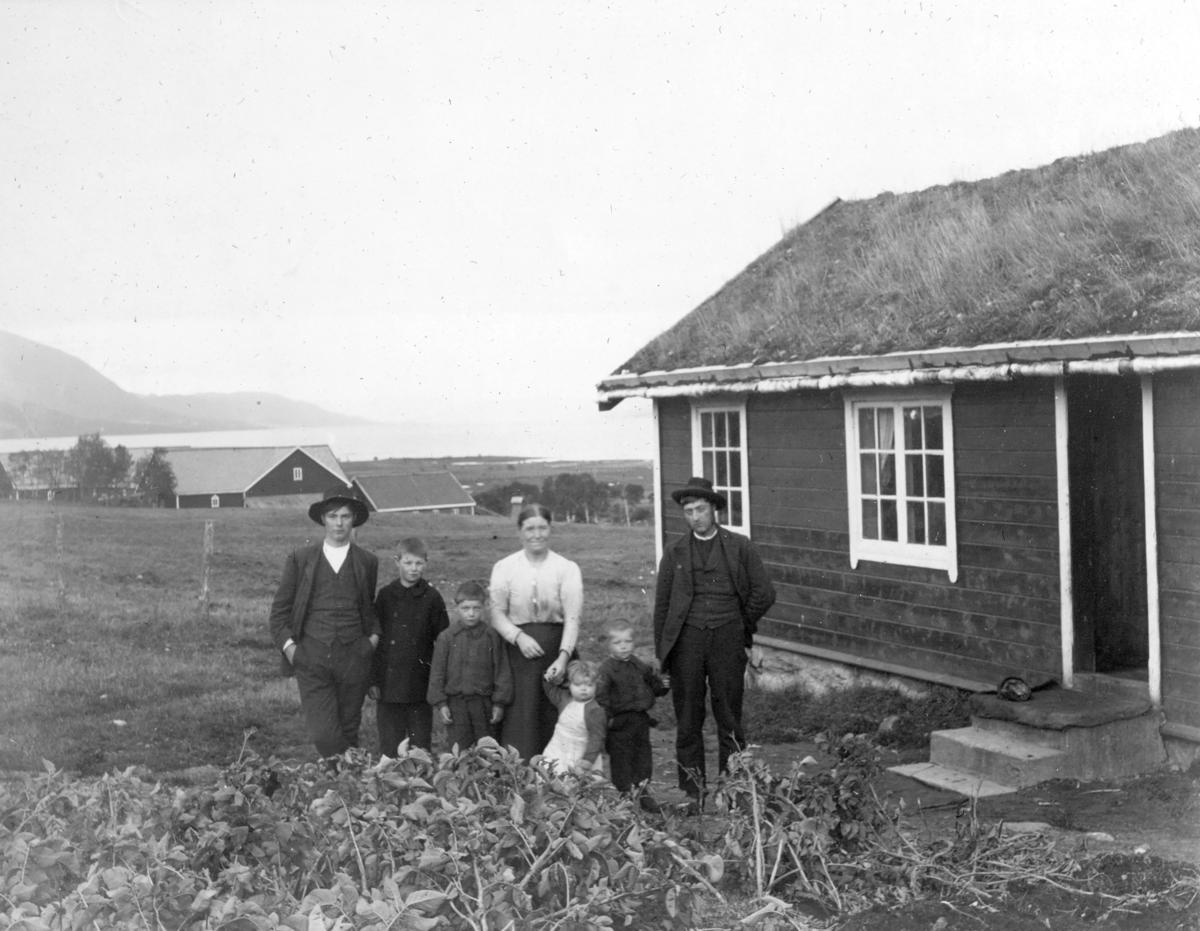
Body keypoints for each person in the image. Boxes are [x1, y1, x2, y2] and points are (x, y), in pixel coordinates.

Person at [653, 476, 776, 812]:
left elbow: (764, 593)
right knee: (688, 720)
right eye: (688, 511)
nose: (695, 516)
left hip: (726, 640)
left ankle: (731, 789)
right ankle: (692, 794)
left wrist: (740, 624)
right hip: (687, 643)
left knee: (729, 718)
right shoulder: (675, 552)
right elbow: (662, 607)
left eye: (701, 509)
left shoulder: (739, 547)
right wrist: (663, 655)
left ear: (715, 509)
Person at [269, 487, 380, 760]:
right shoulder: (301, 559)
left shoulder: (367, 561)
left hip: (354, 656)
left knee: (349, 727)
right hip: (312, 656)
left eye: (345, 516)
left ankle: (343, 792)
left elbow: (368, 609)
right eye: (333, 516)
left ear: (354, 520)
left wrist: (371, 642)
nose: (339, 523)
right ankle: (347, 771)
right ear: (323, 520)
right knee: (324, 735)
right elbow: (279, 613)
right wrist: (292, 650)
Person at [489, 503, 583, 760]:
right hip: (517, 653)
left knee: (554, 717)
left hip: (555, 650)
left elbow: (573, 618)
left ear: (550, 529)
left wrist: (563, 658)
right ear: (520, 532)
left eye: (542, 527)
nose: (536, 534)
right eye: (530, 528)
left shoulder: (566, 568)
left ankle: (558, 781)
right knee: (520, 719)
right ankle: (519, 779)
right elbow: (496, 613)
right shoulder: (505, 567)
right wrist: (518, 637)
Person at [371, 537, 449, 755]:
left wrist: (438, 684)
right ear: (397, 562)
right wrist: (374, 680)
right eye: (408, 563)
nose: (413, 569)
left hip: (419, 685)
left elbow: (442, 643)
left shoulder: (432, 598)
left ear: (426, 563)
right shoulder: (386, 596)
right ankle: (390, 783)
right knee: (390, 745)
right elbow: (377, 642)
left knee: (420, 746)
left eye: (418, 563)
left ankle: (420, 783)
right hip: (388, 685)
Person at [427, 580, 513, 750]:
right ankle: (459, 777)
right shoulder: (447, 637)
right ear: (456, 607)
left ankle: (487, 777)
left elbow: (502, 670)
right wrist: (441, 704)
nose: (471, 614)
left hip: (484, 704)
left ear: (484, 607)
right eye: (466, 609)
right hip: (456, 704)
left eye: (476, 608)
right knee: (459, 750)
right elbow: (437, 672)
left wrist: (499, 703)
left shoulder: (492, 636)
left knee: (488, 749)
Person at [596, 618, 669, 812]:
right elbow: (601, 697)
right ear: (608, 646)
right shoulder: (607, 669)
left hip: (640, 719)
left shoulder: (638, 664)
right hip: (619, 722)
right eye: (618, 643)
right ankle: (625, 796)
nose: (623, 647)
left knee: (643, 757)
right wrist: (607, 721)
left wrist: (662, 684)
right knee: (621, 760)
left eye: (627, 642)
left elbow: (652, 685)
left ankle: (643, 792)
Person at [540, 659, 606, 776]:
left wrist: (587, 761)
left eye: (589, 685)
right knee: (551, 775)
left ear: (596, 685)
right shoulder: (564, 698)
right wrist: (548, 677)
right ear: (569, 684)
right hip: (558, 747)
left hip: (580, 752)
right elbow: (550, 690)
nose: (584, 689)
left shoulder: (594, 710)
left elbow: (596, 737)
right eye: (578, 685)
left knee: (578, 783)